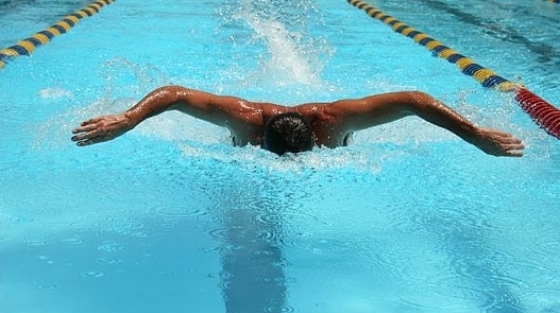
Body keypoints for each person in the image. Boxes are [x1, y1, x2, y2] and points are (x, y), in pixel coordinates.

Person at [71, 85, 524, 157]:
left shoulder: (335, 121)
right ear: (258, 139)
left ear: (320, 139)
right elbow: (175, 94)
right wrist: (128, 120)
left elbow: (413, 100)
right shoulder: (245, 120)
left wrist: (475, 135)